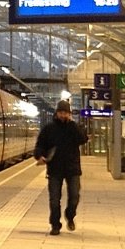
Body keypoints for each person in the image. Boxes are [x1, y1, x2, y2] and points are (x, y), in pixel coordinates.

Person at [34, 100, 89, 235]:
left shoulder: (74, 127)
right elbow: (40, 145)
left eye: (65, 113)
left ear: (69, 114)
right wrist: (39, 156)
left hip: (72, 168)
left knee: (74, 196)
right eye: (61, 113)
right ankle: (55, 225)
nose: (63, 115)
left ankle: (70, 216)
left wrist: (72, 124)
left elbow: (83, 139)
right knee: (54, 199)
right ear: (56, 113)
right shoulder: (49, 129)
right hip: (55, 169)